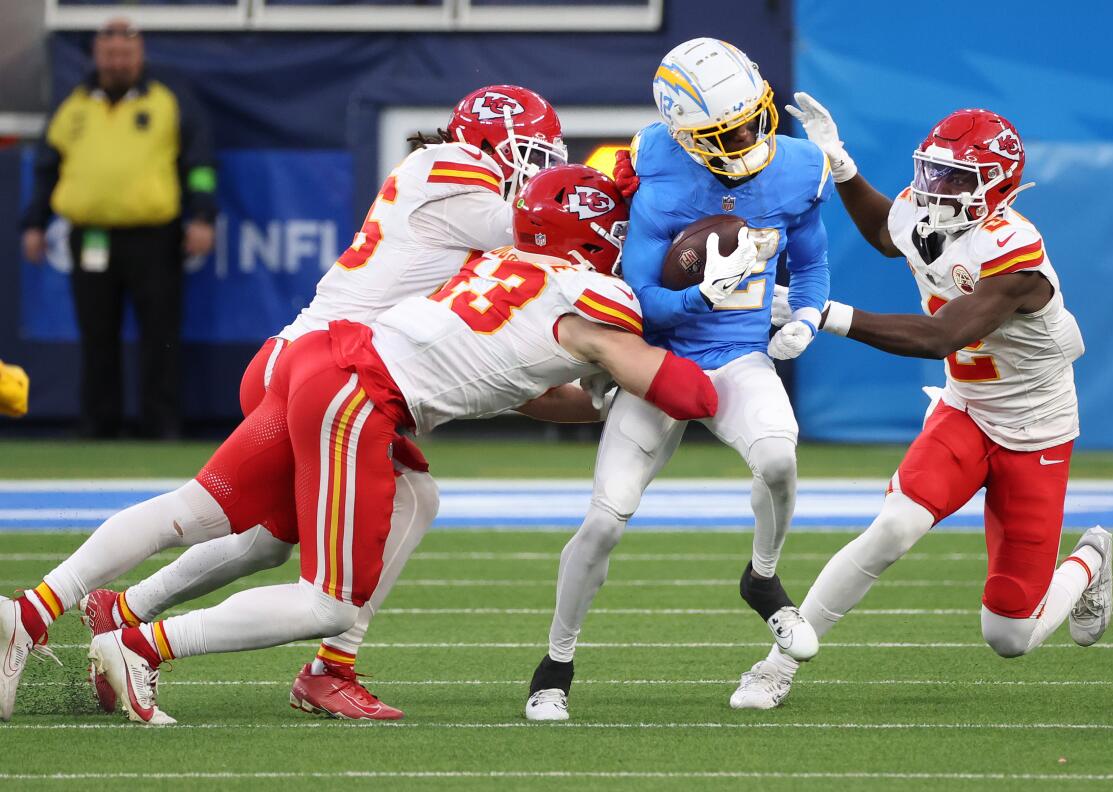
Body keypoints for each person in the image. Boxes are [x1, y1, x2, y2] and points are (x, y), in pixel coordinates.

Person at [0, 164, 721, 725]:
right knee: (331, 603)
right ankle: (141, 646)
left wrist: (599, 401)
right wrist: (715, 304)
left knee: (202, 509)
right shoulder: (593, 301)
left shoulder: (505, 268)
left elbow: (525, 388)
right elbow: (693, 395)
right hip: (357, 397)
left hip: (323, 362)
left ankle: (31, 613)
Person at [78, 85, 568, 720]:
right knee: (327, 533)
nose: (536, 169)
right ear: (483, 143)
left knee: (268, 537)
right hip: (326, 372)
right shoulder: (457, 172)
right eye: (528, 153)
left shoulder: (457, 188)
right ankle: (311, 664)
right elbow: (544, 231)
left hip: (319, 365)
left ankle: (126, 611)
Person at [729, 97, 1110, 709]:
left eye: (956, 177)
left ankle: (1089, 559)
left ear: (995, 186)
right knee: (894, 528)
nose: (936, 187)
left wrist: (825, 313)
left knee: (1009, 634)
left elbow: (940, 336)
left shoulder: (1013, 250)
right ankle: (776, 666)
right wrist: (843, 167)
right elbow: (887, 232)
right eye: (933, 170)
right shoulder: (933, 215)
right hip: (966, 408)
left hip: (1035, 428)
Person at [524, 37, 832, 721]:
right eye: (729, 132)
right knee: (604, 523)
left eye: (753, 117)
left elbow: (811, 266)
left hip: (739, 357)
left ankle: (763, 579)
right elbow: (639, 298)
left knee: (779, 456)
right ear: (686, 135)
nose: (751, 137)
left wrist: (806, 320)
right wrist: (699, 297)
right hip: (658, 361)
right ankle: (555, 665)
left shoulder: (800, 166)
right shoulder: (658, 163)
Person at [19, 18, 216, 439]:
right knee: (96, 334)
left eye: (125, 53)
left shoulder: (167, 99)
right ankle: (97, 424)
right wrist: (35, 222)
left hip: (153, 236)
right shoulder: (73, 104)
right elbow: (46, 168)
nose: (117, 61)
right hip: (90, 235)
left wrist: (201, 216)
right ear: (96, 54)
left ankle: (161, 424)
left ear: (140, 53)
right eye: (109, 53)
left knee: (160, 335)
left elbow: (199, 164)